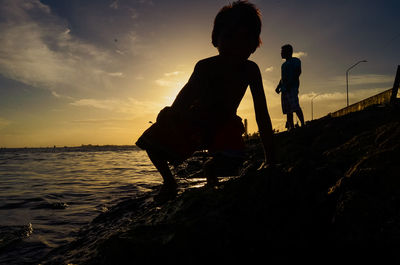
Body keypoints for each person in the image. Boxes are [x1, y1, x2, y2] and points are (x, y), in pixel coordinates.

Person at [136, 1, 274, 201]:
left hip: (225, 125)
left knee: (233, 160)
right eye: (228, 38)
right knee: (151, 141)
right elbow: (185, 95)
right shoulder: (205, 67)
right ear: (216, 40)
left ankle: (211, 170)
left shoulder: (251, 70)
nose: (235, 46)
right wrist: (171, 114)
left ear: (254, 44)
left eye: (243, 39)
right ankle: (169, 181)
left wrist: (271, 160)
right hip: (195, 122)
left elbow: (262, 112)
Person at [275, 44, 305, 130]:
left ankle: (303, 124)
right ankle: (291, 128)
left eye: (282, 52)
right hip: (284, 89)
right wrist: (278, 86)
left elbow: (298, 72)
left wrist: (290, 83)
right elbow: (282, 78)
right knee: (288, 110)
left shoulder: (295, 61)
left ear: (288, 52)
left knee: (295, 106)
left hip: (292, 88)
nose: (281, 53)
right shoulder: (283, 65)